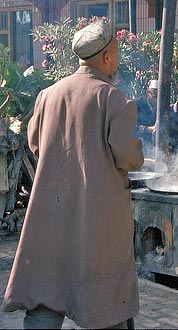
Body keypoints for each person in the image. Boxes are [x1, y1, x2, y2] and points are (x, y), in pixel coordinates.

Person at [1, 20, 144, 328]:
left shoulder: (48, 96)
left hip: (51, 213)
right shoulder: (115, 100)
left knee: (46, 294)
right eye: (115, 54)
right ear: (106, 57)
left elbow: (35, 143)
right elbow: (128, 157)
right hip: (98, 216)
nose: (116, 61)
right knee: (105, 302)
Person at [135, 79, 158, 158]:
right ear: (148, 93)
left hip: (155, 149)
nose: (157, 98)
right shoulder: (137, 105)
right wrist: (148, 129)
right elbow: (130, 126)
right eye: (154, 95)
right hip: (140, 148)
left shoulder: (162, 109)